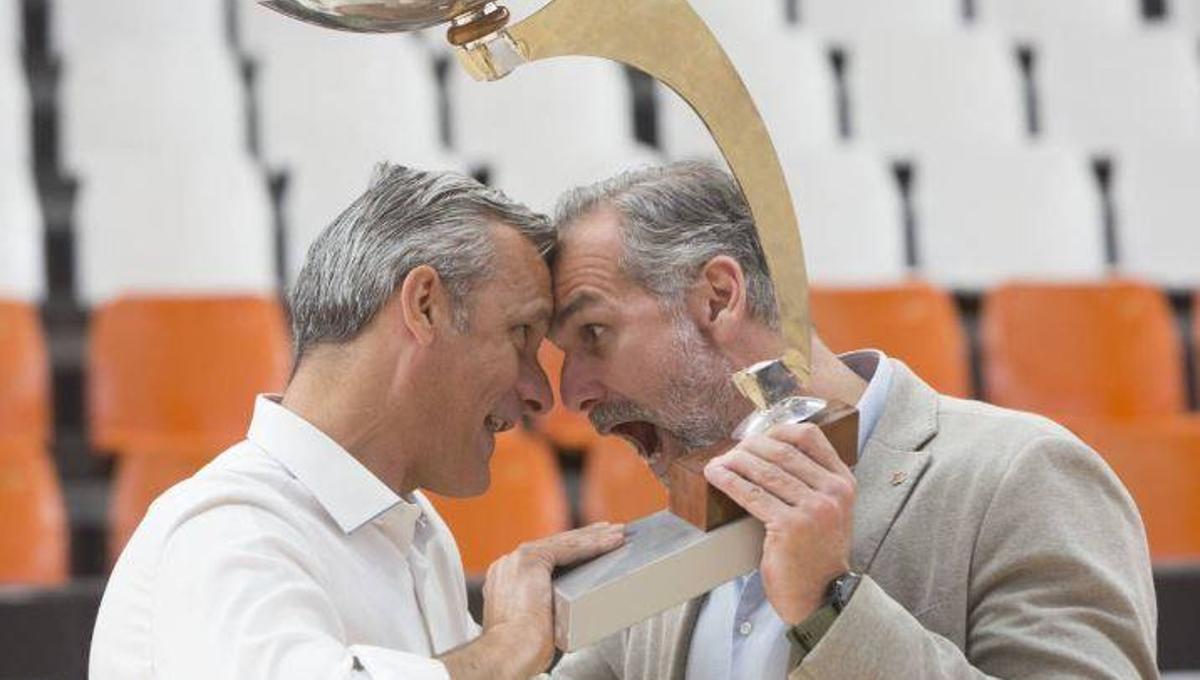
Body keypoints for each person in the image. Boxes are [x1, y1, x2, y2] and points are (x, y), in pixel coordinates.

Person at [548, 161, 1157, 679]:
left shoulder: (1024, 476)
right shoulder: (667, 549)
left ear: (718, 297)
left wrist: (830, 602)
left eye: (594, 333)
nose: (571, 392)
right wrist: (498, 653)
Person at [89, 164, 624, 680]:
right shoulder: (224, 533)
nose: (539, 393)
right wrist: (507, 648)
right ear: (425, 306)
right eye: (520, 335)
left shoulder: (415, 532)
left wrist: (662, 612)